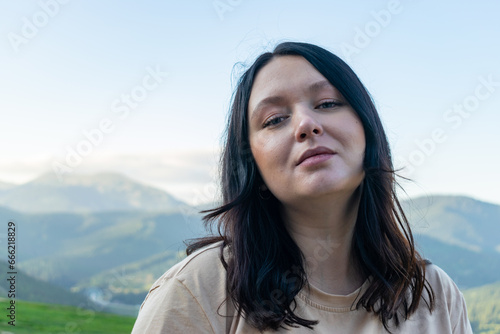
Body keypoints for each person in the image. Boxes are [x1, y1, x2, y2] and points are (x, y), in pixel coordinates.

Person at [131, 41, 473, 333]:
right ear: (251, 163)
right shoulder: (199, 291)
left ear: (368, 131)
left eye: (327, 103)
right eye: (275, 119)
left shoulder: (433, 295)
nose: (306, 124)